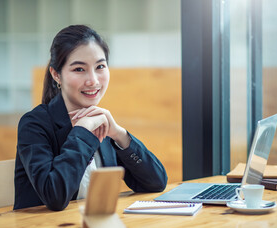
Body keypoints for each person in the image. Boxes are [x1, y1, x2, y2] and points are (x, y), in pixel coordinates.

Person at [14, 25, 167, 211]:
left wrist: (120, 135)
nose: (93, 80)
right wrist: (83, 132)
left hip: (95, 227)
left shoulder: (102, 121)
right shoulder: (34, 124)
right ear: (56, 75)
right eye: (79, 69)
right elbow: (55, 196)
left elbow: (156, 183)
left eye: (100, 66)